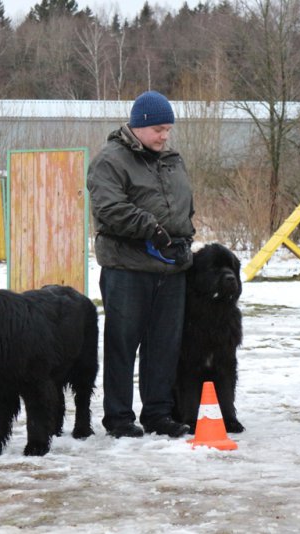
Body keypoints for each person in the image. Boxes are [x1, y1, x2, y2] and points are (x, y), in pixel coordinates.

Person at [87, 90, 195, 439]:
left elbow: (183, 205)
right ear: (139, 126)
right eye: (159, 130)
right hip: (127, 267)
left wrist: (184, 238)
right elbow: (109, 208)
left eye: (168, 130)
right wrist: (152, 229)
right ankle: (118, 418)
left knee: (164, 345)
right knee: (122, 343)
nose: (165, 136)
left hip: (170, 268)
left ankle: (158, 413)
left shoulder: (172, 159)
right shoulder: (111, 160)